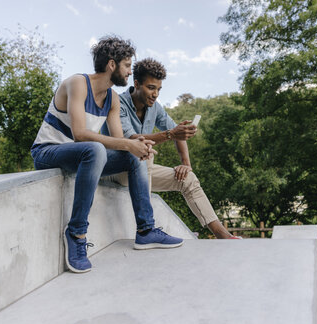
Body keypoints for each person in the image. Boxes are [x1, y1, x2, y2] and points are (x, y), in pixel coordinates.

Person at [31, 38, 184, 274]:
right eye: (127, 65)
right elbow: (80, 134)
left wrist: (140, 145)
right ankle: (76, 232)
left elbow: (119, 141)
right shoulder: (78, 83)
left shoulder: (112, 98)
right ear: (112, 65)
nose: (130, 71)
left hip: (83, 158)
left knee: (133, 156)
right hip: (48, 151)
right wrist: (126, 143)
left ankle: (145, 230)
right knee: (94, 148)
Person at [101, 58, 240, 239]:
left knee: (187, 179)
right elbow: (133, 140)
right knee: (145, 152)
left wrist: (186, 164)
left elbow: (177, 133)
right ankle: (146, 229)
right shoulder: (118, 103)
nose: (155, 94)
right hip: (115, 169)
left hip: (141, 172)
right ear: (137, 84)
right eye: (151, 88)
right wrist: (171, 134)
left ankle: (223, 234)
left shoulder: (155, 108)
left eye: (159, 89)